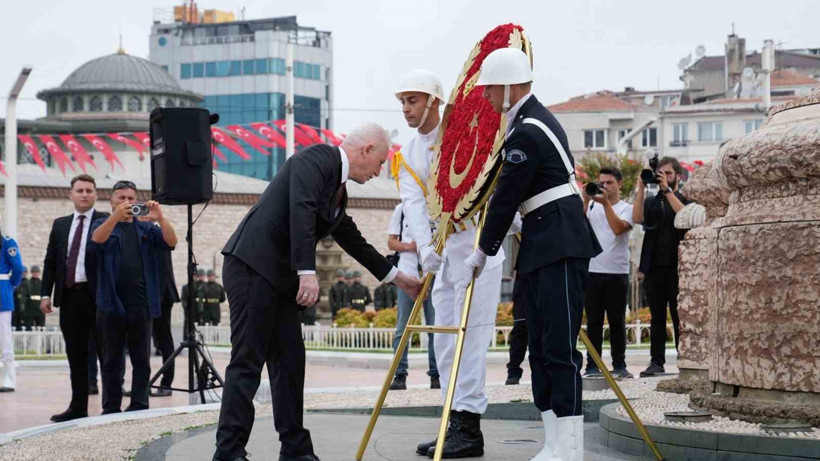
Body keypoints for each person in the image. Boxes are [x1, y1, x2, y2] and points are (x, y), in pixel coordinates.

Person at [214, 123, 423, 461]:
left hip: (279, 280)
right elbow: (301, 209)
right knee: (248, 361)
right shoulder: (316, 159)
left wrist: (399, 278)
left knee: (290, 362)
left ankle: (295, 449)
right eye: (381, 161)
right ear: (366, 150)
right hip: (251, 267)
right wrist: (307, 272)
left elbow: (351, 238)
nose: (380, 171)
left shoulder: (337, 189)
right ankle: (228, 452)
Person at [467, 48, 601, 460]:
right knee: (541, 347)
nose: (486, 96)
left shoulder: (527, 129)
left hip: (558, 242)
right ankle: (554, 442)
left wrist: (483, 250)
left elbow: (506, 195)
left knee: (558, 345)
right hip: (544, 241)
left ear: (509, 86)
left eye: (490, 88)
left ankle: (571, 448)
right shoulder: (527, 121)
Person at [394, 69, 510, 458]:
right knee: (443, 338)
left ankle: (469, 426)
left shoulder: (463, 132)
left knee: (471, 339)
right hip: (441, 255)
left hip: (478, 248)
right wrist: (424, 249)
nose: (407, 109)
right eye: (403, 102)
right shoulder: (408, 151)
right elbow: (412, 202)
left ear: (434, 101)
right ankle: (450, 420)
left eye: (413, 100)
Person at [89, 180, 177, 414]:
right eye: (121, 198)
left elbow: (171, 242)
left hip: (142, 303)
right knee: (111, 360)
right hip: (111, 303)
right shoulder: (103, 224)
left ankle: (139, 403)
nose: (126, 203)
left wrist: (160, 218)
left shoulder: (146, 228)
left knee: (141, 359)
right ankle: (111, 406)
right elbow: (96, 240)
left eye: (130, 198)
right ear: (112, 201)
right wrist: (115, 218)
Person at [41, 174, 108, 421]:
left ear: (96, 194)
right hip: (69, 297)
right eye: (79, 190)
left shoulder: (106, 221)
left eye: (89, 190)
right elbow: (50, 262)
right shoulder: (60, 225)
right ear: (71, 194)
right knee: (76, 355)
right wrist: (44, 294)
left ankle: (109, 408)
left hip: (99, 297)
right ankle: (77, 407)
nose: (84, 194)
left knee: (106, 354)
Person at [632, 156, 689, 376]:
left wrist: (668, 191)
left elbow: (684, 216)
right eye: (661, 173)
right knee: (657, 318)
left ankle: (684, 360)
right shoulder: (651, 201)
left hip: (678, 268)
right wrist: (640, 187)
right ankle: (656, 362)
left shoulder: (684, 199)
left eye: (669, 173)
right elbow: (637, 218)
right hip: (653, 267)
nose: (664, 177)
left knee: (679, 317)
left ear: (678, 176)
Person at [582, 167, 634, 379]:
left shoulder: (626, 208)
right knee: (593, 322)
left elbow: (619, 229)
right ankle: (593, 365)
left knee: (616, 321)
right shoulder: (593, 205)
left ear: (620, 184)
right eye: (601, 182)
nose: (604, 186)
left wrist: (605, 205)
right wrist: (585, 200)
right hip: (592, 270)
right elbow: (577, 224)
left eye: (609, 182)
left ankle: (619, 365)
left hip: (617, 272)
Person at [387, 202, 439, 391]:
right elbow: (391, 242)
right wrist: (411, 246)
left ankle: (436, 374)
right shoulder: (401, 209)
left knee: (435, 327)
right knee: (403, 327)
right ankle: (400, 374)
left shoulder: (437, 206)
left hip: (432, 274)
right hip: (407, 273)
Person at [150, 247, 180, 397]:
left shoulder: (156, 233)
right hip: (150, 295)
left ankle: (166, 383)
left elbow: (160, 269)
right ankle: (142, 385)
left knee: (164, 340)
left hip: (160, 296)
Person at [0, 228, 25, 393]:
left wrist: (11, 285)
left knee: (4, 336)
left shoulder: (6, 241)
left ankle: (8, 377)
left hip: (1, 290)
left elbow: (17, 267)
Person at [24, 266, 45, 330]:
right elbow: (24, 296)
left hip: (40, 309)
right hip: (30, 309)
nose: (36, 273)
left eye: (37, 272)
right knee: (29, 328)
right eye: (34, 272)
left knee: (41, 327)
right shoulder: (27, 283)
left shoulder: (42, 283)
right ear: (31, 273)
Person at [12, 266, 27, 331]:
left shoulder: (28, 282)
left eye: (25, 272)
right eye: (22, 272)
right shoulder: (14, 282)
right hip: (15, 308)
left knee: (23, 327)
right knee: (14, 326)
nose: (23, 273)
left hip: (24, 309)